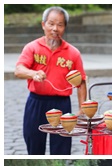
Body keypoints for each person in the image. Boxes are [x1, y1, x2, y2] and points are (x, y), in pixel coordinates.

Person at [14, 6, 87, 155]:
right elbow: (19, 70)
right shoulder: (32, 47)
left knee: (62, 147)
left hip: (62, 105)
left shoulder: (73, 53)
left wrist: (82, 109)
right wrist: (33, 73)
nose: (55, 28)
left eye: (60, 25)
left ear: (65, 27)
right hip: (36, 103)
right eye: (51, 24)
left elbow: (81, 82)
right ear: (43, 25)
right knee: (33, 144)